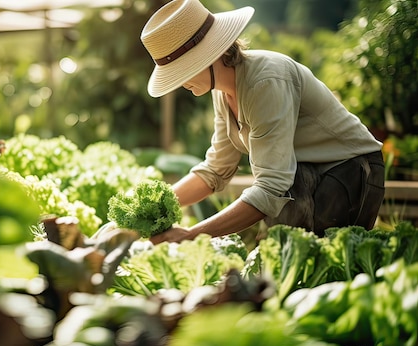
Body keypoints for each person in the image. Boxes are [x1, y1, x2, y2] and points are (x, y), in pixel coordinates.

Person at [140, 0, 385, 243]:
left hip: (348, 171)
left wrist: (192, 235)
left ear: (210, 55)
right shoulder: (222, 93)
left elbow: (271, 187)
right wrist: (145, 213)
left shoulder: (265, 81)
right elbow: (215, 170)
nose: (181, 82)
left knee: (316, 273)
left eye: (184, 70)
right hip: (303, 178)